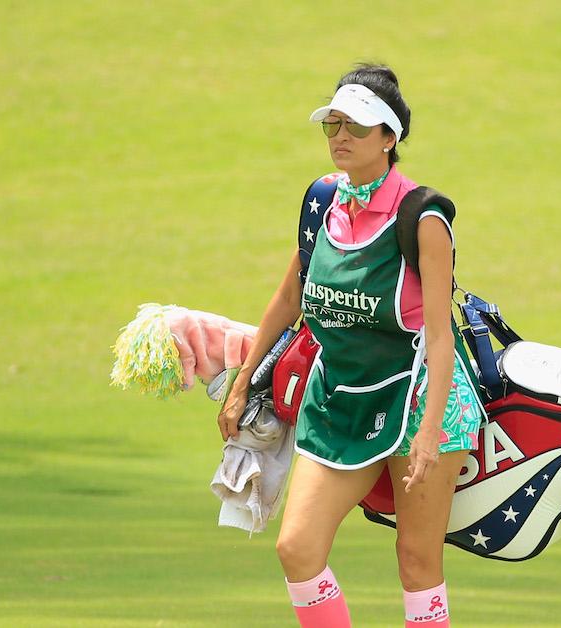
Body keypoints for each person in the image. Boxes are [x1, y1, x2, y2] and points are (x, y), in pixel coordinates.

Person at [218, 63, 485, 628]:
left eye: (356, 127)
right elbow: (289, 297)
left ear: (389, 138)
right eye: (332, 124)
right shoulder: (321, 203)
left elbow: (440, 335)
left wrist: (432, 431)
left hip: (421, 399)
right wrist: (243, 383)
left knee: (417, 563)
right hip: (338, 396)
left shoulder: (423, 217)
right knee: (296, 548)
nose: (340, 136)